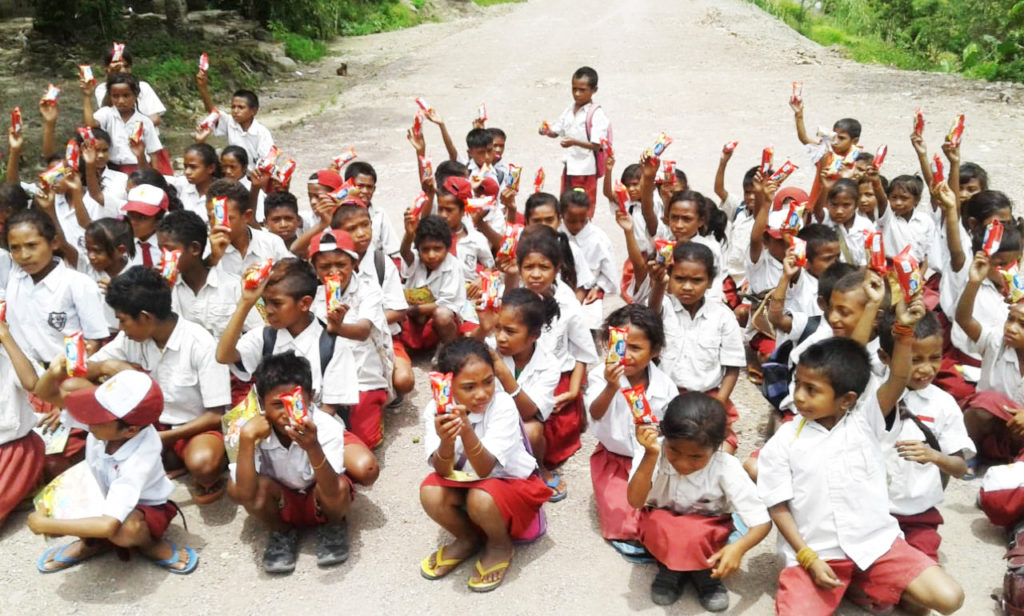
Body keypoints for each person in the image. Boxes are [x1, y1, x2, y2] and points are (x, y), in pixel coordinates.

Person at [757, 322, 965, 615]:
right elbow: (778, 506)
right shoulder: (785, 441)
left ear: (847, 400)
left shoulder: (866, 422)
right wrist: (807, 557)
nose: (799, 396)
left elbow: (899, 377)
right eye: (798, 384)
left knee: (949, 597)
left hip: (876, 547)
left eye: (811, 390)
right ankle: (848, 586)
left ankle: (856, 585)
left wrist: (904, 332)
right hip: (818, 554)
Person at [215, 258, 379, 487]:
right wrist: (245, 303)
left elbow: (330, 408)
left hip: (316, 425)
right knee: (242, 477)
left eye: (276, 303)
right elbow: (223, 356)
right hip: (272, 425)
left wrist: (301, 438)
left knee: (366, 468)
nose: (268, 310)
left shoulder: (330, 343)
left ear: (304, 303)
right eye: (264, 302)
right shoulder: (264, 336)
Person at [28, 370, 197, 574]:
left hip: (144, 507)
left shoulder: (139, 458)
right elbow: (46, 393)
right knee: (64, 501)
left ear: (131, 431)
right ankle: (91, 543)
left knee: (125, 530)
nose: (88, 419)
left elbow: (109, 525)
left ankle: (149, 545)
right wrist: (55, 369)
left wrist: (46, 525)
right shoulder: (106, 426)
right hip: (103, 494)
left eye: (98, 416)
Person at [418, 338, 552, 593]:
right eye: (469, 387)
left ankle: (500, 545)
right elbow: (442, 470)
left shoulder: (501, 405)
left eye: (488, 382)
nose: (482, 393)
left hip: (510, 485)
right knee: (430, 492)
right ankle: (468, 539)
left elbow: (485, 469)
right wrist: (446, 442)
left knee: (481, 497)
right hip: (468, 482)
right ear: (447, 385)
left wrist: (466, 431)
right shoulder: (435, 410)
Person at [91, 266, 231, 504]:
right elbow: (85, 368)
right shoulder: (130, 339)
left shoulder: (200, 343)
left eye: (123, 320)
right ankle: (166, 460)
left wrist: (162, 439)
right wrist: (106, 367)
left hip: (193, 428)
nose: (121, 328)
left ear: (145, 317)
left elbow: (215, 415)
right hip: (150, 426)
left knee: (203, 464)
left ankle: (186, 463)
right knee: (82, 396)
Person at [628, 392, 771, 610]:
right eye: (674, 450)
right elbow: (635, 502)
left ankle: (705, 572)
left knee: (695, 533)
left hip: (708, 536)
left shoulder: (726, 467)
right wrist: (650, 456)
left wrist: (738, 549)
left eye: (696, 457)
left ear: (716, 448)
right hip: (661, 528)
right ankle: (671, 568)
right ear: (664, 436)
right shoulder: (652, 451)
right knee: (661, 524)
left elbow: (762, 522)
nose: (683, 463)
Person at [5, 208, 108, 476]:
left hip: (69, 380)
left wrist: (60, 400)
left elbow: (96, 341)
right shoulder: (15, 280)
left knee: (51, 463)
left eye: (31, 245)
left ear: (53, 243)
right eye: (15, 248)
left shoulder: (76, 284)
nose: (23, 255)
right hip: (28, 379)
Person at [227, 351, 351, 573]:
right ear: (261, 404)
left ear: (311, 397)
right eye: (277, 405)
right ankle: (281, 531)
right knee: (243, 488)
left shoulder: (326, 426)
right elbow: (244, 494)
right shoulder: (248, 429)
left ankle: (333, 526)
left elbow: (332, 488)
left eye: (295, 403)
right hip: (282, 499)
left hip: (318, 495)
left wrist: (312, 446)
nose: (287, 414)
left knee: (340, 487)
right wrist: (247, 440)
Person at [876, 310, 973, 560]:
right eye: (915, 360)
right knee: (875, 585)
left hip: (918, 514)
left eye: (935, 358)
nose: (926, 369)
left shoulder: (943, 404)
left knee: (920, 592)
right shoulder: (873, 395)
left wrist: (935, 456)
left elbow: (960, 468)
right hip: (873, 512)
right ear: (885, 358)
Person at [510, 224, 598, 497]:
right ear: (520, 267)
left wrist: (573, 390)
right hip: (516, 373)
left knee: (549, 432)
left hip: (556, 378)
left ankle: (538, 466)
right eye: (529, 267)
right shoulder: (513, 297)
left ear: (557, 268)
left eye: (544, 267)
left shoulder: (567, 304)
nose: (536, 274)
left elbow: (583, 350)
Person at [586, 304, 676, 560]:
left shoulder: (664, 385)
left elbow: (670, 427)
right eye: (621, 346)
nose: (627, 355)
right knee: (625, 521)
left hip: (652, 461)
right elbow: (595, 413)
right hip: (614, 462)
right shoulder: (599, 377)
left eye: (636, 348)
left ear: (654, 350)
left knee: (669, 509)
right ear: (608, 343)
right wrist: (611, 387)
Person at [650, 242, 745, 451]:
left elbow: (732, 366)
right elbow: (651, 314)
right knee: (661, 453)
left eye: (697, 280)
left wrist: (719, 403)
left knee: (723, 452)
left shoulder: (722, 317)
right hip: (667, 399)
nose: (687, 287)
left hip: (707, 400)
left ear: (710, 282)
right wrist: (658, 284)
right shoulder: (663, 307)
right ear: (669, 278)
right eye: (679, 279)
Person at [473, 288, 562, 497]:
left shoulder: (549, 364)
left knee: (533, 430)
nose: (501, 338)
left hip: (522, 425)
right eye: (498, 328)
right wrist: (482, 330)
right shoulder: (489, 346)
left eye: (510, 332)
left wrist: (503, 373)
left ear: (534, 335)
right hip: (486, 419)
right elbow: (459, 355)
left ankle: (538, 468)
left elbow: (530, 412)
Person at [308, 228, 390, 448]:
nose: (334, 272)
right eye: (325, 267)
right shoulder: (312, 298)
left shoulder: (368, 290)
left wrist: (337, 327)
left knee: (367, 441)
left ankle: (373, 407)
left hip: (363, 376)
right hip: (327, 380)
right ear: (315, 270)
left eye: (341, 265)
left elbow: (363, 330)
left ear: (354, 264)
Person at [957, 249, 1024, 462]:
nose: (1011, 328)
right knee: (986, 402)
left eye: (1022, 325)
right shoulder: (997, 342)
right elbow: (965, 321)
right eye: (1010, 319)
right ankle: (968, 454)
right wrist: (974, 282)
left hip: (1018, 434)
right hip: (987, 425)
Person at [156, 210, 263, 340]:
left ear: (195, 249)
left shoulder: (234, 286)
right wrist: (162, 293)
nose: (163, 257)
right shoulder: (164, 290)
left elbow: (260, 333)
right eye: (161, 250)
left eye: (169, 250)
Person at [540, 66, 608, 214]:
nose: (577, 94)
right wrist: (546, 131)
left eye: (582, 90)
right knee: (566, 205)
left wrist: (574, 142)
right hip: (570, 167)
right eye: (574, 89)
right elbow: (556, 131)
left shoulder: (596, 114)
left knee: (584, 207)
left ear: (594, 90)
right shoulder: (569, 110)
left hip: (586, 170)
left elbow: (597, 145)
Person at [0, 316, 45, 528]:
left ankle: (25, 487)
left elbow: (33, 384)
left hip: (13, 450)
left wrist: (6, 338)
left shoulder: (10, 357)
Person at [398, 214, 465, 351]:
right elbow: (405, 253)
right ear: (418, 249)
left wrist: (413, 309)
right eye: (425, 249)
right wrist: (409, 235)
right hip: (413, 320)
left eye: (437, 249)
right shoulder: (415, 260)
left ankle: (448, 349)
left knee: (442, 316)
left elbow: (446, 304)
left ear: (447, 248)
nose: (432, 255)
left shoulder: (452, 266)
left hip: (435, 322)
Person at [82, 73, 170, 175]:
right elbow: (90, 123)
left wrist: (156, 180)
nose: (121, 101)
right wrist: (87, 96)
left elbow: (153, 154)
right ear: (110, 96)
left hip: (139, 170)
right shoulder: (106, 114)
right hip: (112, 169)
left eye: (126, 95)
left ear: (135, 95)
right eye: (115, 96)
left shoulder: (145, 121)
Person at [205, 179, 291, 277]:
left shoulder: (271, 244)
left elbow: (290, 279)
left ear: (247, 216)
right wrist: (213, 258)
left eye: (226, 219)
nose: (217, 225)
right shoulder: (205, 248)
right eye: (211, 218)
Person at [559, 188, 616, 329]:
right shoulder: (555, 235)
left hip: (588, 297)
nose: (578, 226)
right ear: (561, 215)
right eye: (572, 221)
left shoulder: (599, 239)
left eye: (582, 220)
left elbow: (610, 273)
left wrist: (598, 288)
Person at [196, 71, 273, 171]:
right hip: (233, 174)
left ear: (253, 111)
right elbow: (213, 113)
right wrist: (203, 88)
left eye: (241, 107)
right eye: (233, 107)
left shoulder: (261, 133)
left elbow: (268, 160)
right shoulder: (230, 122)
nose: (235, 111)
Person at [94, 45, 166, 127]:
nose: (123, 70)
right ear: (106, 68)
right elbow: (105, 112)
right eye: (118, 68)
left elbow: (155, 119)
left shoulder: (143, 87)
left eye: (126, 66)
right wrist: (112, 79)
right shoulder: (102, 89)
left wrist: (133, 131)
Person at [813, 178, 874, 266]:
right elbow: (817, 211)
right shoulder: (827, 219)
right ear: (827, 203)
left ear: (856, 205)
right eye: (834, 205)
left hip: (860, 273)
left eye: (846, 205)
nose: (839, 211)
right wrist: (825, 188)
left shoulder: (865, 225)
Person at [876, 175, 934, 263]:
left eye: (904, 198)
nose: (898, 203)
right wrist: (875, 182)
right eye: (894, 197)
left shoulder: (925, 221)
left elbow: (928, 253)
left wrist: (921, 274)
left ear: (917, 200)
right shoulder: (888, 218)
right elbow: (881, 199)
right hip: (891, 270)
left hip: (916, 271)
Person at [164, 143, 221, 218]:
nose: (187, 172)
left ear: (211, 168)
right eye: (185, 166)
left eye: (193, 167)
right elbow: (154, 177)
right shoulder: (183, 183)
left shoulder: (221, 193)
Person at [121, 183, 170, 269]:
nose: (132, 222)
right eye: (130, 215)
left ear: (158, 221)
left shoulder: (170, 247)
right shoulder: (120, 245)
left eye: (141, 218)